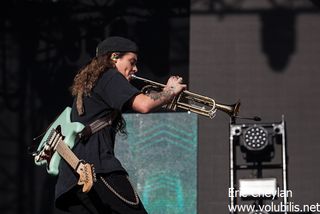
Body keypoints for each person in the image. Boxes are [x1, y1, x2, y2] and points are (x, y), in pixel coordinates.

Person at [54, 36, 187, 214]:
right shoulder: (109, 76)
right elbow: (144, 104)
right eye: (132, 62)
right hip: (97, 170)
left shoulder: (91, 84)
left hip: (72, 178)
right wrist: (169, 91)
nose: (135, 69)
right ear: (114, 57)